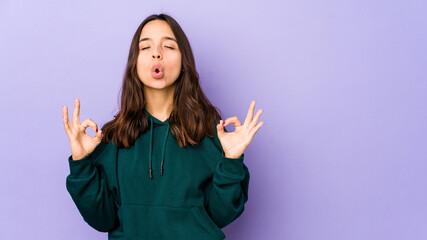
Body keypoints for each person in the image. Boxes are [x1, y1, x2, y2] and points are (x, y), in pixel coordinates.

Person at [62, 13, 264, 240]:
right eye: (146, 47)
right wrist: (80, 163)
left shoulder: (207, 131)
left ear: (184, 61)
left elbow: (220, 215)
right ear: (134, 63)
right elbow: (103, 219)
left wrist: (232, 161)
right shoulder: (114, 136)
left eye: (168, 46)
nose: (157, 53)